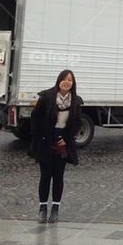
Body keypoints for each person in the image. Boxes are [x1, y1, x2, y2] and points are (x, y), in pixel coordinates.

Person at [29, 69, 82, 223]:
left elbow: (77, 123)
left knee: (58, 177)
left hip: (62, 143)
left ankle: (55, 209)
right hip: (46, 141)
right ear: (59, 80)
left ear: (73, 83)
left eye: (70, 80)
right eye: (64, 79)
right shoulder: (46, 97)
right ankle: (42, 208)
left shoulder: (76, 101)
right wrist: (38, 137)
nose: (67, 82)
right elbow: (35, 117)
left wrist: (67, 138)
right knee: (45, 176)